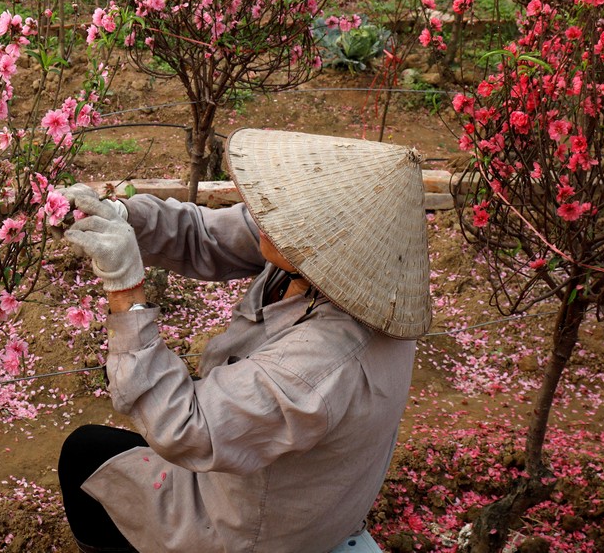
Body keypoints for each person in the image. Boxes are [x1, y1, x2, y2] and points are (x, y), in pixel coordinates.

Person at [56, 129, 432, 553]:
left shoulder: (323, 361)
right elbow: (206, 235)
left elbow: (184, 428)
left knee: (83, 456)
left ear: (334, 239)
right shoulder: (333, 260)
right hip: (297, 487)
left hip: (253, 530)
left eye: (287, 210)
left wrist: (125, 290)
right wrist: (123, 217)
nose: (264, 212)